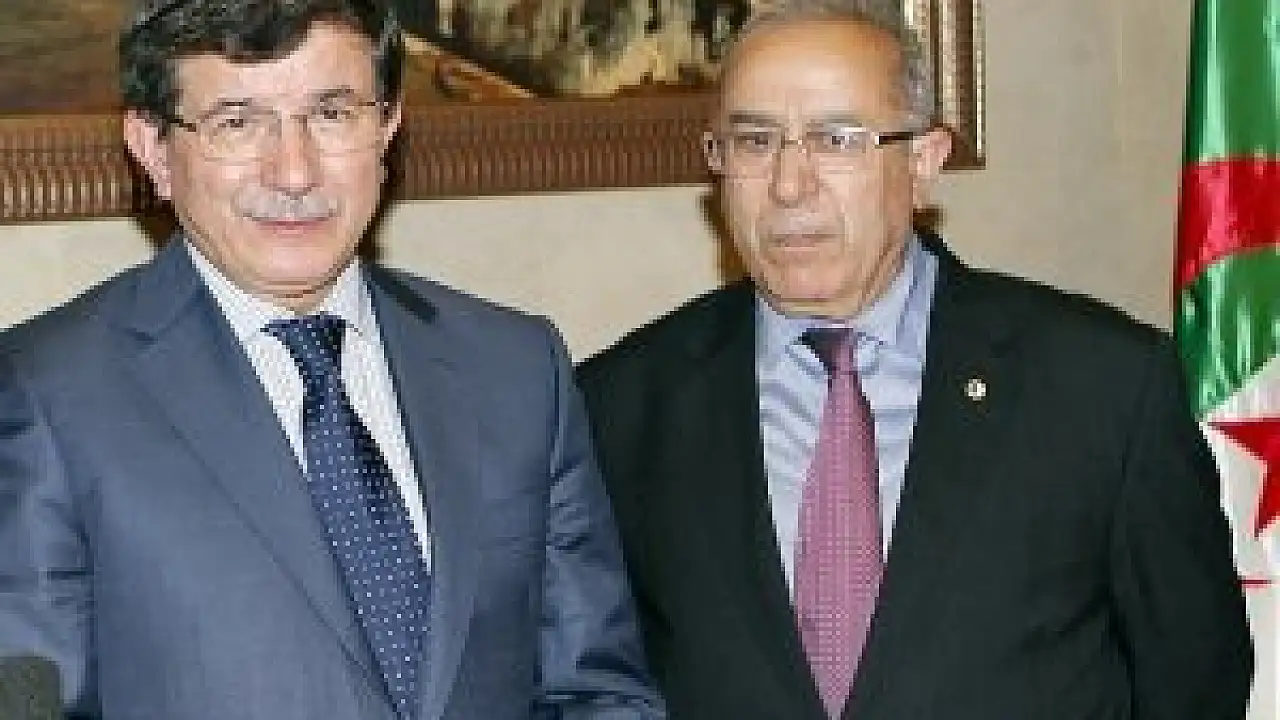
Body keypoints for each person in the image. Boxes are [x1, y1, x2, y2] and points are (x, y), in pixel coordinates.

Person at [577, 6, 1253, 719]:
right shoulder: (622, 407)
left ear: (924, 163)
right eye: (753, 141)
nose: (788, 185)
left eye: (836, 140)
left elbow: (1196, 681)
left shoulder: (1104, 389)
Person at [0, 1, 664, 718]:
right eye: (237, 122)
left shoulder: (516, 368)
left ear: (388, 126)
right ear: (153, 148)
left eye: (332, 113)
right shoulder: (48, 393)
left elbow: (598, 691)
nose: (294, 172)